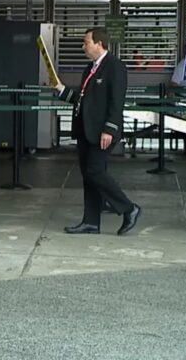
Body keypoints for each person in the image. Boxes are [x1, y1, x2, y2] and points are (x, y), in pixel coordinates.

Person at [55, 28, 141, 236]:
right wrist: (63, 91)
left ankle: (129, 208)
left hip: (102, 130)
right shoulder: (90, 68)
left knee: (95, 171)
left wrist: (109, 128)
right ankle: (91, 221)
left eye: (87, 42)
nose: (84, 47)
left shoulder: (115, 67)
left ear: (99, 43)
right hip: (85, 129)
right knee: (89, 175)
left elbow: (116, 101)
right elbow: (84, 99)